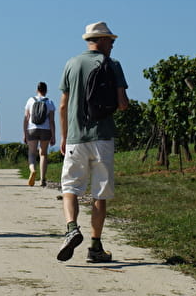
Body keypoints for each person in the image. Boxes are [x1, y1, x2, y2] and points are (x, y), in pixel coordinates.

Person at [57, 22, 129, 263]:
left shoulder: (71, 63)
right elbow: (122, 104)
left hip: (76, 138)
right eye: (111, 40)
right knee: (100, 194)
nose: (113, 44)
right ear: (102, 40)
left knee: (70, 188)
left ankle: (71, 228)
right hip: (103, 137)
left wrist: (65, 137)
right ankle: (95, 247)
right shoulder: (113, 65)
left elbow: (64, 105)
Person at [23, 82, 56, 187]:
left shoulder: (30, 100)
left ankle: (32, 170)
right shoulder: (49, 102)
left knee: (32, 153)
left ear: (37, 90)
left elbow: (26, 118)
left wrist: (25, 133)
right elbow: (51, 121)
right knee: (43, 154)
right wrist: (53, 135)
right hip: (45, 130)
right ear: (46, 90)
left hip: (32, 129)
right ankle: (42, 179)